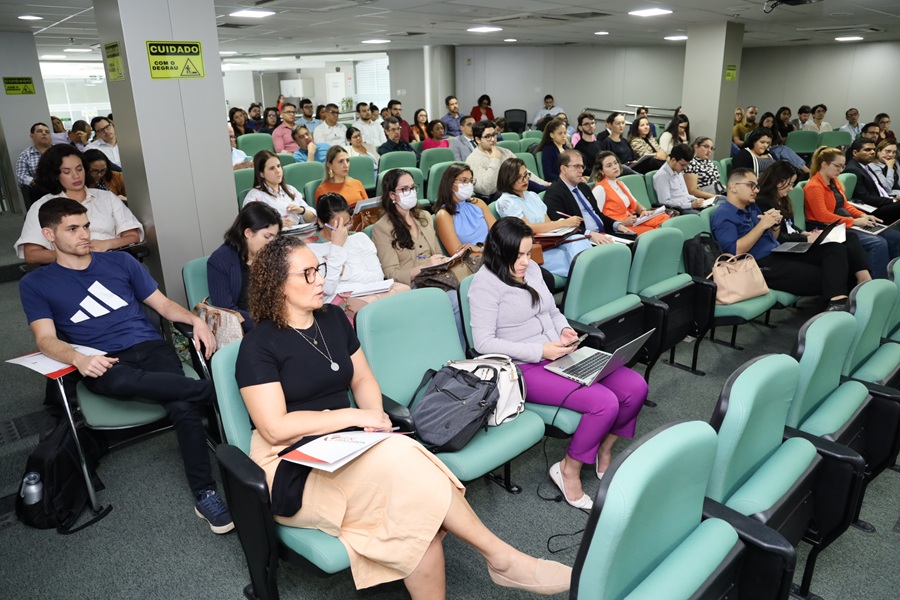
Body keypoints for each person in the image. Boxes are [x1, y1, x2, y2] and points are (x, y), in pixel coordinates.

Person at [236, 233, 570, 597]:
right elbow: (275, 427)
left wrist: (374, 417)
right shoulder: (258, 345)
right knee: (409, 477)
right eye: (308, 274)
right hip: (291, 462)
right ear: (277, 284)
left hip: (343, 442)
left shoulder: (331, 319)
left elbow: (363, 378)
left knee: (413, 512)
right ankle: (503, 559)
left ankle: (503, 560)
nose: (320, 280)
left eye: (320, 269)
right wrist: (355, 418)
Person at [21, 197, 231, 533]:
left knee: (183, 405)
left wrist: (195, 321)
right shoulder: (36, 284)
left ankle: (205, 493)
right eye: (72, 229)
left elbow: (162, 304)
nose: (84, 234)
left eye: (86, 226)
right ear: (49, 234)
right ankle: (216, 392)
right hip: (100, 357)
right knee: (124, 382)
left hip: (148, 345)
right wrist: (78, 358)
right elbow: (45, 339)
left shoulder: (120, 262)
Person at [468, 217, 648, 509]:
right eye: (519, 255)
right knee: (604, 403)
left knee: (635, 387)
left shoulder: (532, 270)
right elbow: (483, 344)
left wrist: (564, 329)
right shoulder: (484, 285)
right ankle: (568, 470)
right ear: (499, 253)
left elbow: (552, 311)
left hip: (559, 352)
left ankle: (603, 448)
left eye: (529, 253)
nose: (526, 261)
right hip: (523, 367)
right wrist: (540, 350)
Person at [712, 168, 857, 311]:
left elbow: (772, 238)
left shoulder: (752, 207)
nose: (756, 190)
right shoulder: (723, 214)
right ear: (734, 187)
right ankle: (837, 306)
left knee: (834, 247)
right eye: (751, 185)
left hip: (778, 251)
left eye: (756, 186)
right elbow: (734, 252)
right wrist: (762, 225)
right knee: (827, 275)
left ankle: (837, 303)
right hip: (758, 265)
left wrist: (775, 226)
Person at [15, 145, 143, 264]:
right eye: (66, 172)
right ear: (54, 175)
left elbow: (133, 236)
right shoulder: (42, 206)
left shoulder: (106, 197)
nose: (76, 176)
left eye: (79, 169)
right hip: (68, 268)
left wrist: (108, 244)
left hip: (110, 260)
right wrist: (72, 255)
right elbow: (31, 254)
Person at [756, 160, 871, 287]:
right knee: (836, 250)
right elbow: (776, 236)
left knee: (849, 236)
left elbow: (789, 225)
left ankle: (864, 278)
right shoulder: (763, 203)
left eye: (793, 184)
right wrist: (806, 238)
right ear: (777, 181)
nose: (791, 188)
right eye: (789, 184)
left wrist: (803, 232)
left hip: (796, 239)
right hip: (785, 246)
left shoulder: (782, 199)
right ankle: (860, 283)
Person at [307, 193, 410, 320]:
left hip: (369, 294)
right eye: (336, 227)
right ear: (321, 222)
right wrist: (337, 247)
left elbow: (377, 277)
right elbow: (328, 289)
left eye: (347, 223)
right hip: (337, 303)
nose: (343, 231)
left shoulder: (360, 238)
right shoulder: (311, 248)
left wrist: (345, 272)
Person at [804, 146, 900, 278]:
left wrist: (863, 215)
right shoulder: (814, 186)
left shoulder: (834, 181)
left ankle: (894, 278)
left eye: (842, 166)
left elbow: (845, 205)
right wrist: (854, 221)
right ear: (824, 164)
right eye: (837, 166)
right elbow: (822, 216)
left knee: (895, 237)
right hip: (828, 227)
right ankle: (876, 283)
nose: (840, 170)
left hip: (844, 222)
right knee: (878, 243)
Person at [495, 157, 592, 276]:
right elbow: (527, 228)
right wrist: (564, 223)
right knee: (568, 259)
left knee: (580, 241)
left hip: (549, 241)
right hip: (532, 247)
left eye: (526, 175)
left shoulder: (532, 196)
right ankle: (585, 279)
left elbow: (548, 223)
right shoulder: (505, 202)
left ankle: (590, 275)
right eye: (519, 177)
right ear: (508, 179)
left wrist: (560, 228)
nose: (525, 180)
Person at [207, 202, 282, 331]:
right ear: (248, 233)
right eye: (267, 236)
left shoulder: (270, 255)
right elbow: (226, 310)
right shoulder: (220, 260)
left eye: (274, 237)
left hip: (274, 322)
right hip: (246, 328)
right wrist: (265, 326)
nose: (271, 243)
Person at [372, 169, 447, 286]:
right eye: (404, 189)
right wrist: (424, 267)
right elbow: (391, 274)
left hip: (437, 277)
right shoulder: (382, 228)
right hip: (412, 285)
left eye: (412, 188)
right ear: (392, 195)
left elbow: (438, 253)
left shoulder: (424, 216)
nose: (411, 192)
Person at [544, 150, 621, 239]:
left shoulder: (583, 187)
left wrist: (617, 225)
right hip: (583, 239)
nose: (581, 171)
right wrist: (589, 234)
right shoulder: (554, 193)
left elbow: (598, 214)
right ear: (563, 169)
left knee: (632, 239)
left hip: (604, 234)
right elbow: (563, 227)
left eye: (582, 167)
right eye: (576, 166)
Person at [591, 151, 668, 235]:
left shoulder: (620, 183)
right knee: (652, 231)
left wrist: (643, 211)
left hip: (633, 221)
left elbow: (635, 203)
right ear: (601, 171)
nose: (615, 167)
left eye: (615, 163)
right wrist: (622, 222)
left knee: (665, 218)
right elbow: (596, 218)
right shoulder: (600, 189)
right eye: (609, 166)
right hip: (619, 227)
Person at [466, 121, 543, 198]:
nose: (493, 139)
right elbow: (487, 190)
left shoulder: (505, 152)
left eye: (494, 135)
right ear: (478, 140)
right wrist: (495, 160)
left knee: (533, 185)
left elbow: (524, 172)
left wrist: (543, 183)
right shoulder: (473, 159)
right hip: (495, 197)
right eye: (488, 136)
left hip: (514, 189)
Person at [433, 163, 496, 254]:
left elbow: (498, 235)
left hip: (495, 254)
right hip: (475, 260)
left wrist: (481, 248)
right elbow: (458, 254)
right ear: (450, 183)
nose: (468, 184)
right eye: (464, 180)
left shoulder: (478, 203)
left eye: (470, 181)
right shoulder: (444, 215)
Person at [243, 150, 317, 227]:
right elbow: (251, 224)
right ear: (261, 174)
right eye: (272, 168)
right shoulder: (255, 196)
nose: (278, 171)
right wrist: (277, 223)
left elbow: (313, 218)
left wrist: (301, 211)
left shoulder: (290, 190)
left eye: (278, 166)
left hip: (298, 231)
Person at [843, 138, 900, 223]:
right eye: (867, 150)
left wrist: (892, 198)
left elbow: (880, 189)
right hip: (871, 210)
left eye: (873, 149)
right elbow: (864, 197)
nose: (872, 152)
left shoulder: (864, 166)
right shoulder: (853, 169)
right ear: (855, 153)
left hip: (881, 202)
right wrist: (892, 201)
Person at [653, 144, 705, 215]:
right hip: (678, 210)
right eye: (683, 165)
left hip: (688, 205)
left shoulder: (678, 170)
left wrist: (696, 199)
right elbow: (665, 203)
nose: (685, 168)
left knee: (710, 210)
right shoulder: (661, 176)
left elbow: (685, 195)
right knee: (701, 215)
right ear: (673, 160)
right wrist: (690, 205)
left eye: (687, 165)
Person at [16, 122, 53, 186]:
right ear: (31, 136)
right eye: (40, 131)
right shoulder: (25, 155)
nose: (44, 133)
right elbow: (21, 175)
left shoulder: (60, 150)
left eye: (47, 132)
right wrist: (35, 182)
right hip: (40, 187)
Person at [535, 118, 571, 183]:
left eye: (565, 133)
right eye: (560, 133)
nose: (563, 136)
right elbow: (548, 175)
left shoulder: (568, 149)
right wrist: (566, 179)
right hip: (558, 183)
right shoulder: (548, 150)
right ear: (552, 135)